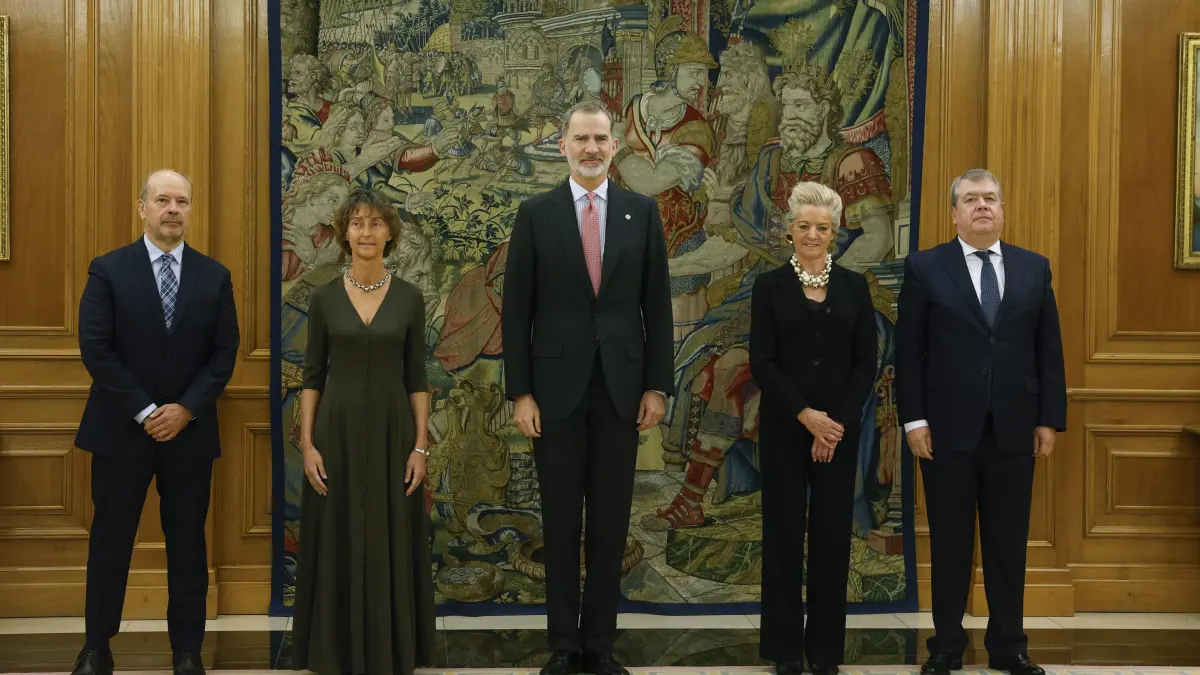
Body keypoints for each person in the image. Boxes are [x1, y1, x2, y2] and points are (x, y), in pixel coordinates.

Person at [502, 101, 673, 675]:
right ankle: (563, 645)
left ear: (615, 145)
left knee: (610, 521)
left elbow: (657, 306)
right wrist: (520, 393)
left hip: (623, 391)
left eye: (601, 138)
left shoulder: (641, 212)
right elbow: (516, 311)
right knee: (559, 520)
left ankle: (599, 644)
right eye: (581, 138)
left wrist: (657, 386)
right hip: (553, 393)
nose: (591, 148)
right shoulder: (536, 213)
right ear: (564, 146)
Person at [896, 169, 1066, 675]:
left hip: (1015, 429)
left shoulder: (1034, 268)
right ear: (954, 213)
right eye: (971, 199)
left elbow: (1049, 350)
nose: (982, 206)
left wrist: (1049, 419)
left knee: (1007, 545)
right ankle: (946, 646)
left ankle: (1009, 646)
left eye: (990, 198)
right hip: (945, 430)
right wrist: (914, 420)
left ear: (1002, 209)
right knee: (950, 543)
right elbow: (909, 353)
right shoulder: (925, 267)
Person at [72, 169, 240, 675]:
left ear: (190, 210)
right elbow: (96, 349)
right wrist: (147, 412)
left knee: (188, 543)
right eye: (162, 200)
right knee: (111, 540)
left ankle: (187, 651)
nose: (172, 209)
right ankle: (96, 647)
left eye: (181, 201)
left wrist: (185, 409)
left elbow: (224, 354)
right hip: (121, 431)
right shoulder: (108, 270)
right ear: (141, 207)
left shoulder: (214, 276)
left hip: (189, 434)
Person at [292, 187, 435, 675]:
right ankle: (334, 650)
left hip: (396, 436)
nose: (366, 232)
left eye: (375, 223)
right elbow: (312, 377)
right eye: (357, 223)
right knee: (339, 534)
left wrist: (420, 447)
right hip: (336, 435)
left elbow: (417, 379)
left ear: (390, 233)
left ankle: (391, 649)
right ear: (344, 233)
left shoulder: (411, 298)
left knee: (390, 535)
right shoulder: (324, 298)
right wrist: (308, 444)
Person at [749, 182, 878, 675]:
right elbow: (762, 361)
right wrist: (806, 416)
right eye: (803, 226)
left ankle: (825, 651)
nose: (812, 235)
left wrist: (833, 423)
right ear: (790, 230)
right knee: (782, 536)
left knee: (831, 538)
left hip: (838, 434)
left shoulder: (854, 287)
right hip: (785, 428)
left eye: (822, 227)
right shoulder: (769, 287)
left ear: (834, 232)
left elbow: (865, 363)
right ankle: (785, 650)